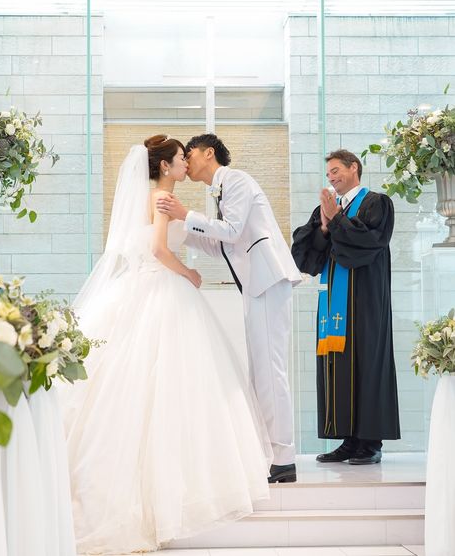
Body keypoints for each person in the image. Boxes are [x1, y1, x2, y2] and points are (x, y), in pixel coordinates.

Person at [60, 135, 273, 555]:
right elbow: (158, 249)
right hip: (160, 288)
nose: (185, 164)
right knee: (168, 384)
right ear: (164, 166)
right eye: (180, 158)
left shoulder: (159, 198)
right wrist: (188, 274)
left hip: (144, 287)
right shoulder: (160, 197)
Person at [156, 133, 302, 484]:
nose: (186, 162)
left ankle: (284, 458)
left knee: (270, 372)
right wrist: (178, 228)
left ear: (209, 153)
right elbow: (219, 244)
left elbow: (232, 231)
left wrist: (185, 214)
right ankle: (273, 453)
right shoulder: (220, 190)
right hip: (257, 286)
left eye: (190, 154)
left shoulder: (236, 180)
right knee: (261, 372)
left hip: (267, 280)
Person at [291, 149, 400, 464]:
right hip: (333, 307)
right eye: (328, 174)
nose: (331, 177)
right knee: (337, 365)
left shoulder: (376, 203)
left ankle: (371, 443)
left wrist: (336, 220)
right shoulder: (326, 209)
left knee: (367, 362)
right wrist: (325, 228)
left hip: (365, 302)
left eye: (336, 170)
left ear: (354, 168)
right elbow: (305, 255)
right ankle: (348, 440)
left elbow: (368, 244)